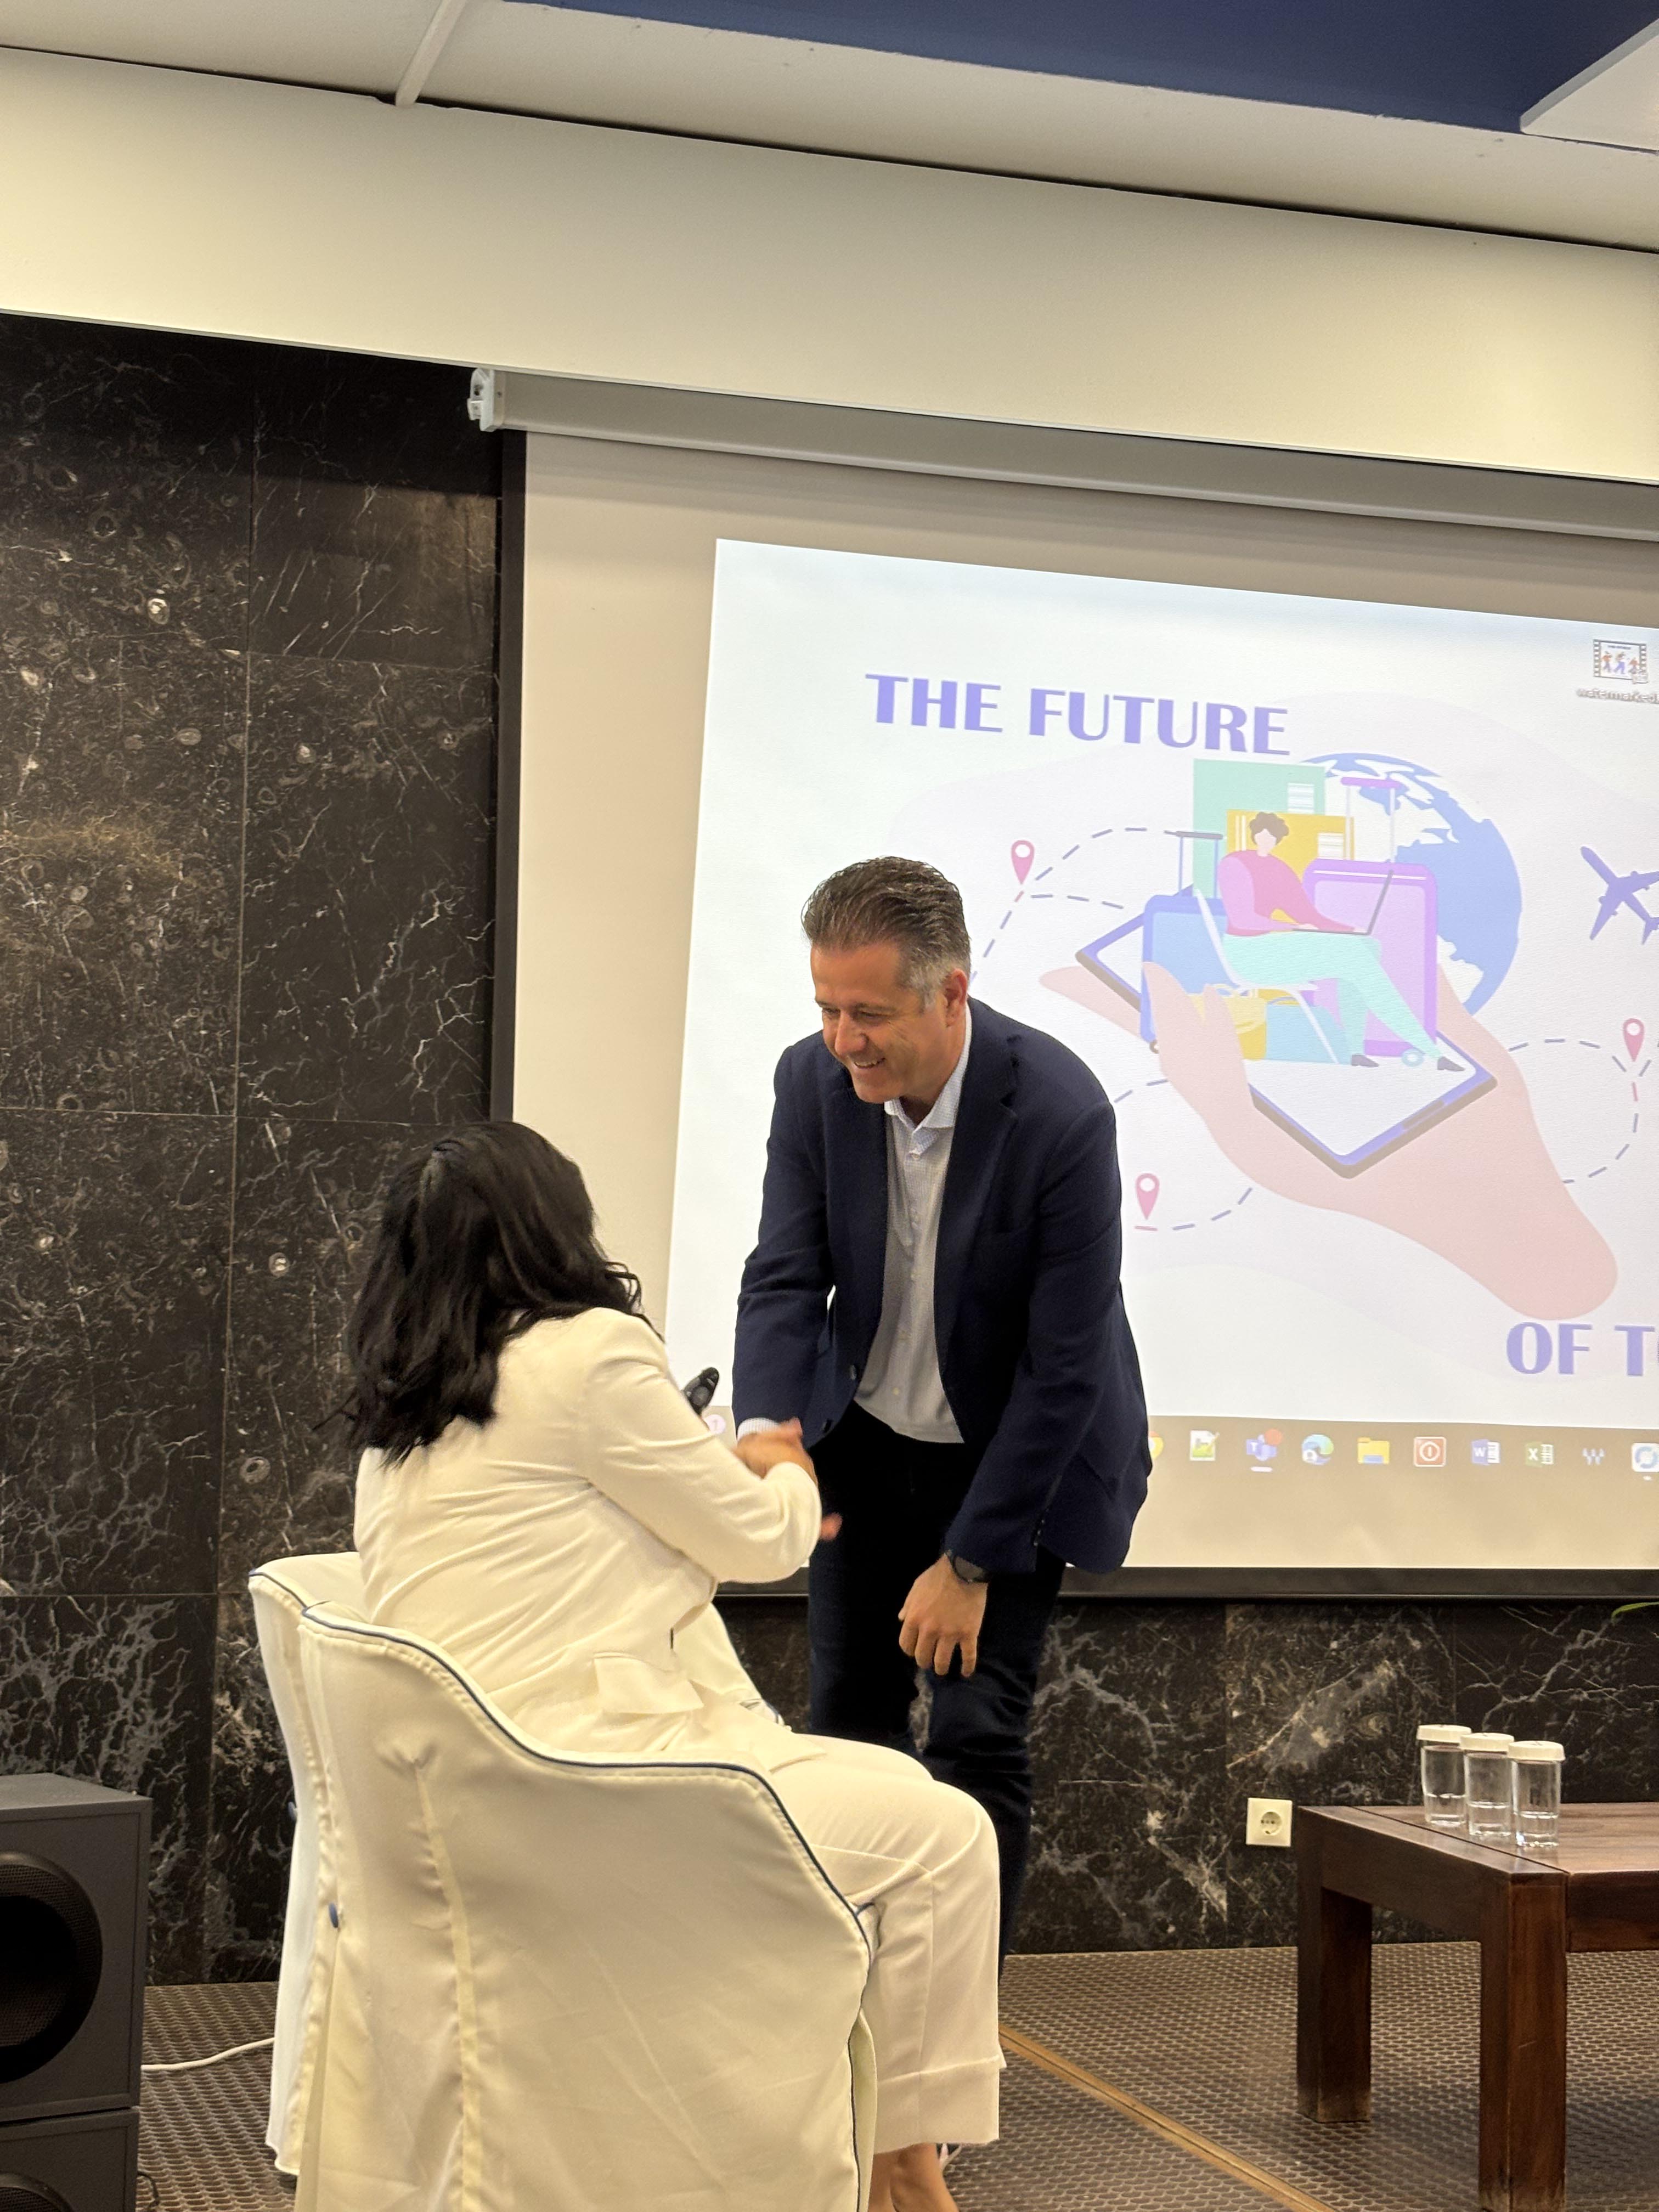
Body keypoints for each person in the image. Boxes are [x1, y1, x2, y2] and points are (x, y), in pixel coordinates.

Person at [346, 1124, 1000, 2212]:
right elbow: (759, 1540)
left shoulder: (404, 1410)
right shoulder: (590, 1353)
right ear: (556, 1228)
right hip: (590, 1785)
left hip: (457, 1799)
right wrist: (781, 1466)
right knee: (945, 1837)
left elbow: (556, 1543)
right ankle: (902, 2168)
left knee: (895, 1789)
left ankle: (890, 2153)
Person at [735, 856, 1150, 1956]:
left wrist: (970, 1564)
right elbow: (784, 1275)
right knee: (847, 1731)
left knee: (973, 1736)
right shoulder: (811, 1083)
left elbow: (1064, 1367)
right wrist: (766, 1429)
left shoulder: (1058, 1112)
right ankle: (849, 2002)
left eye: (868, 1014)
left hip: (1012, 1453)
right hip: (866, 1446)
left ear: (950, 992)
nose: (843, 1040)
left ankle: (956, 2030)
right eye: (826, 1009)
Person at [1215, 812, 1444, 1065]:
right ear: (1255, 834)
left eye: (1272, 836)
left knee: (1367, 946)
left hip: (1274, 948)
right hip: (1248, 954)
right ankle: (1425, 1046)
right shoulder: (1234, 863)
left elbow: (1309, 915)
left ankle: (1356, 1051)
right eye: (1262, 834)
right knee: (1354, 956)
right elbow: (1243, 919)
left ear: (1278, 839)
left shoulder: (1279, 868)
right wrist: (1292, 927)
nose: (1266, 839)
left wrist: (1350, 929)